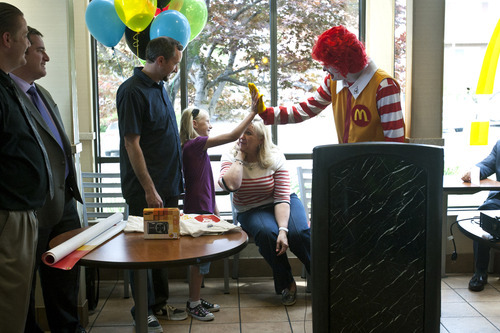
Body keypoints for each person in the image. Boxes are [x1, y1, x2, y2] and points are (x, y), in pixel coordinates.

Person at [10, 26, 86, 333]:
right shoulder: (8, 96)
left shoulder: (42, 93)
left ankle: (68, 328)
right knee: (24, 285)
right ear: (22, 50)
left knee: (65, 278)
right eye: (40, 50)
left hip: (64, 203)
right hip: (32, 208)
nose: (47, 56)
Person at [117, 36, 187, 332]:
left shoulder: (160, 87)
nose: (175, 69)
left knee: (161, 249)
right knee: (143, 252)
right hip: (147, 191)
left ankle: (158, 304)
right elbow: (132, 144)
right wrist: (149, 189)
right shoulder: (131, 91)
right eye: (174, 63)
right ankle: (142, 311)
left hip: (166, 187)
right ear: (160, 61)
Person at [253, 25, 405, 143]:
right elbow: (306, 110)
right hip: (348, 167)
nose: (324, 68)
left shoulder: (384, 86)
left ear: (344, 63)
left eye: (328, 63)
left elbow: (395, 142)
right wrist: (267, 113)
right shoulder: (333, 82)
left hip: (377, 173)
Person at [179, 100, 258, 320]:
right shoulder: (194, 145)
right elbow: (233, 136)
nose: (211, 126)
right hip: (196, 212)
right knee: (198, 259)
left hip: (204, 209)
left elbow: (205, 185)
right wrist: (252, 112)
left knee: (203, 258)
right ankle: (193, 303)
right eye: (207, 122)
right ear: (195, 124)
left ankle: (196, 297)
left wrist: (215, 211)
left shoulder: (196, 148)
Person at [218, 119, 311, 306]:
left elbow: (282, 196)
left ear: (261, 139)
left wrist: (283, 230)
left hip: (283, 200)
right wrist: (240, 157)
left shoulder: (275, 155)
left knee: (298, 233)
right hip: (250, 208)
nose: (242, 136)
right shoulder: (230, 155)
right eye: (241, 132)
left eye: (249, 133)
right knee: (267, 233)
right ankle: (287, 283)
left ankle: (325, 279)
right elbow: (230, 185)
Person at [0, 3, 53, 333]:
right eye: (24, 37)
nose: (28, 43)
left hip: (21, 214)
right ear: (7, 39)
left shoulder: (7, 86)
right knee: (8, 311)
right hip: (8, 217)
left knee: (18, 307)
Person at [461, 140, 500, 292]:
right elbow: (487, 165)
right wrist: (473, 172)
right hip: (498, 198)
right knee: (486, 212)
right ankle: (480, 272)